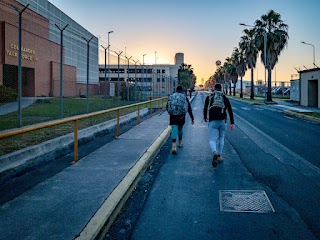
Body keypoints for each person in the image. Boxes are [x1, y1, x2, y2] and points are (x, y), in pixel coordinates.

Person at [203, 83, 235, 168]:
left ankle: (214, 152)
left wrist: (205, 117)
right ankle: (219, 155)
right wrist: (232, 122)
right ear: (221, 89)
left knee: (212, 139)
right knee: (221, 138)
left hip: (212, 121)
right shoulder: (224, 98)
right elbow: (230, 110)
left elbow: (205, 108)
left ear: (214, 89)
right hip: (222, 121)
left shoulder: (209, 97)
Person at [167, 86, 194, 154]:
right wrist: (192, 117)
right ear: (181, 90)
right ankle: (180, 142)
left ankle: (173, 145)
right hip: (181, 116)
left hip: (173, 115)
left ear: (176, 90)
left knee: (174, 129)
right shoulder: (184, 97)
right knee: (180, 129)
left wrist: (170, 113)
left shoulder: (172, 96)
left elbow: (167, 106)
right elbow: (189, 108)